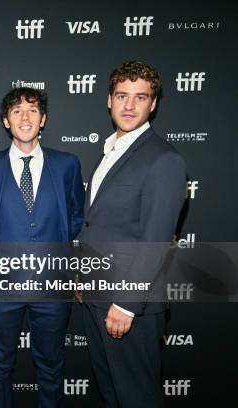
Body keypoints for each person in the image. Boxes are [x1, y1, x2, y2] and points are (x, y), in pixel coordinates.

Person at [79, 61, 187, 407]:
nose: (129, 106)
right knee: (111, 394)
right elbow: (100, 224)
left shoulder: (163, 159)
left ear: (153, 104)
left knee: (136, 398)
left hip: (128, 307)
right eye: (122, 96)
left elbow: (155, 239)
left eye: (140, 97)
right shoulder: (111, 151)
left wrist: (126, 305)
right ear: (109, 100)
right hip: (97, 296)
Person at [0, 87, 84, 407]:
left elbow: (77, 215)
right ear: (6, 121)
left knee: (51, 365)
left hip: (53, 283)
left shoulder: (67, 164)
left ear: (44, 119)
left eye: (33, 110)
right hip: (1, 282)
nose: (25, 117)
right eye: (16, 111)